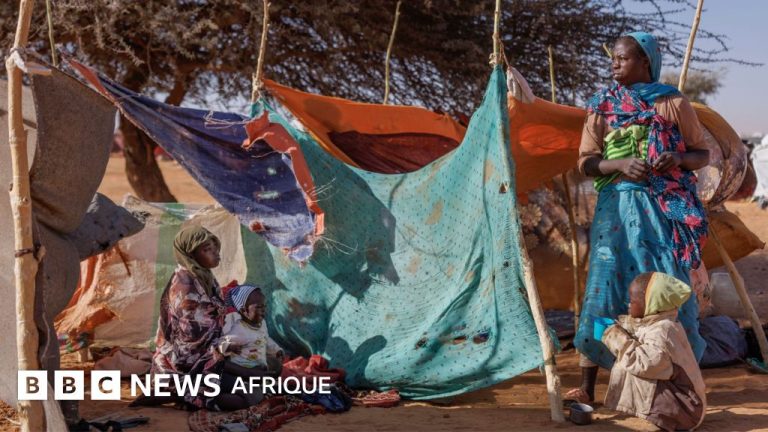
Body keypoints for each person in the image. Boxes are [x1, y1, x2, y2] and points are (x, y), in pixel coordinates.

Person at [566, 31, 710, 403]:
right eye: (612, 58)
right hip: (615, 214)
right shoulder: (602, 106)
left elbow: (700, 153)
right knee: (604, 288)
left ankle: (676, 383)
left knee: (662, 286)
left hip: (660, 213)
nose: (614, 64)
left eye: (623, 58)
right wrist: (619, 164)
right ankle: (586, 385)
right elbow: (586, 162)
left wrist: (677, 159)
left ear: (645, 61)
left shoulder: (672, 103)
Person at [600, 272, 706, 431]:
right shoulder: (662, 323)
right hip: (688, 405)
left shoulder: (663, 331)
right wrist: (618, 328)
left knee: (630, 364)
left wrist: (614, 337)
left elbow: (644, 364)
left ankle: (664, 419)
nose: (629, 305)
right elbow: (639, 331)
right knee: (628, 356)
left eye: (632, 301)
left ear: (651, 304)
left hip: (687, 411)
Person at [148, 225, 227, 410]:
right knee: (247, 387)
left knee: (260, 367)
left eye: (215, 247)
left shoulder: (204, 276)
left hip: (206, 351)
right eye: (207, 250)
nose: (215, 253)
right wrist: (223, 349)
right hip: (185, 361)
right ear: (191, 255)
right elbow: (191, 339)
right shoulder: (186, 285)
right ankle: (183, 392)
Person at [216, 285, 285, 410]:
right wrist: (228, 347)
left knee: (277, 367)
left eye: (264, 306)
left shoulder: (262, 324)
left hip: (255, 367)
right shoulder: (239, 330)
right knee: (253, 397)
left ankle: (258, 385)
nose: (263, 310)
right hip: (240, 372)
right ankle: (217, 401)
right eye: (258, 307)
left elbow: (266, 339)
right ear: (244, 311)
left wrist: (277, 349)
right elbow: (221, 343)